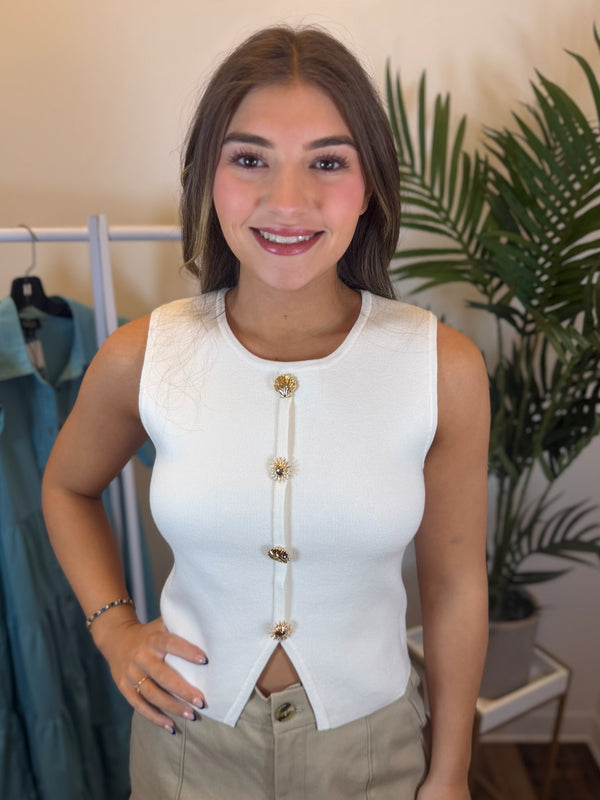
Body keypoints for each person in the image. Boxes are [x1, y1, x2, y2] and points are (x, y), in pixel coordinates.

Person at [42, 25, 490, 800]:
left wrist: (449, 770)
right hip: (187, 746)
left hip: (373, 753)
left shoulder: (440, 367)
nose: (288, 201)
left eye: (327, 162)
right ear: (207, 179)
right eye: (250, 159)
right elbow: (66, 488)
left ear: (371, 183)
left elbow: (455, 586)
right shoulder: (143, 353)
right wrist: (114, 629)